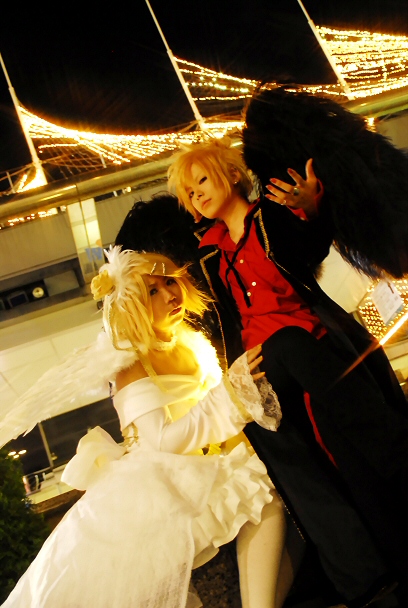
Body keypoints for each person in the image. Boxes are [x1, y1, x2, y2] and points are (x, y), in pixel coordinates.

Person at [167, 116, 408, 608]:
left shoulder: (270, 217)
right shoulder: (210, 254)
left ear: (230, 173)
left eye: (202, 180)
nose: (197, 195)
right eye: (188, 194)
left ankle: (391, 562)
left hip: (314, 351)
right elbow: (224, 321)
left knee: (350, 460)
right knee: (309, 473)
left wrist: (313, 210)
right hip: (268, 369)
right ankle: (361, 575)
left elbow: (308, 248)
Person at [1, 246, 300, 608]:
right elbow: (161, 442)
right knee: (260, 493)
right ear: (133, 305)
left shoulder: (191, 341)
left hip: (207, 462)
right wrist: (232, 394)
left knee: (274, 492)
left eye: (170, 282)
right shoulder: (130, 362)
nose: (171, 295)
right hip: (159, 478)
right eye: (153, 291)